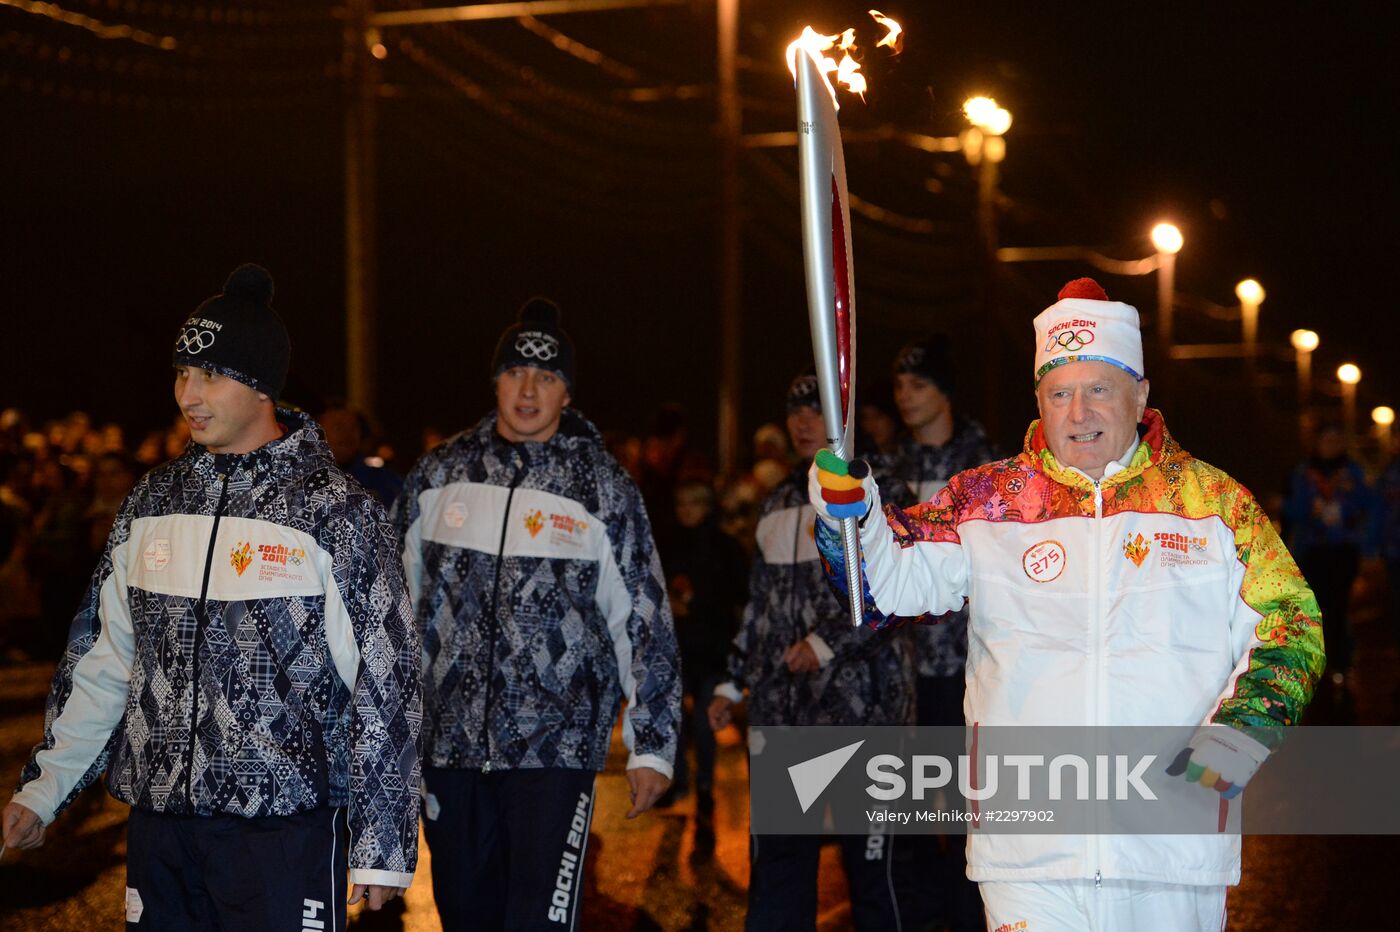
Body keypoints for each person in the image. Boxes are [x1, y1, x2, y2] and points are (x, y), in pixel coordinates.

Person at [810, 278, 1324, 931]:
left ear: (1139, 395)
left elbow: (1293, 624)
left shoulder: (1212, 506)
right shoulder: (988, 502)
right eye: (1059, 394)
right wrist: (842, 513)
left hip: (1171, 848)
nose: (1077, 413)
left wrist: (1236, 743)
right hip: (1027, 855)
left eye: (1098, 390)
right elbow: (882, 586)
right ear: (1039, 401)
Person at [2, 264, 423, 930]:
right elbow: (105, 661)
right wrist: (46, 789)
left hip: (284, 833)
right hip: (162, 832)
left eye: (210, 377)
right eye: (181, 374)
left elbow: (385, 686)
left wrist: (384, 845)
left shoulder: (334, 513)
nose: (188, 395)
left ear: (261, 389)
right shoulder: (152, 502)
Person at [392, 297, 681, 932]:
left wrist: (652, 746)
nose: (528, 390)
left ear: (567, 394)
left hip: (557, 751)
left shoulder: (602, 488)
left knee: (539, 922)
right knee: (465, 913)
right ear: (494, 379)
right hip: (451, 744)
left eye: (547, 378)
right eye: (516, 372)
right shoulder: (439, 476)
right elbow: (388, 614)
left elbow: (643, 619)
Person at [708, 370, 915, 931]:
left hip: (863, 714)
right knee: (779, 870)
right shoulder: (776, 501)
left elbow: (898, 597)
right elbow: (760, 604)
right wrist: (731, 682)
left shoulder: (882, 489)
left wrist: (825, 645)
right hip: (785, 716)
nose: (802, 422)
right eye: (794, 411)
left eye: (815, 410)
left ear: (843, 418)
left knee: (874, 875)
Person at [879, 336, 997, 931]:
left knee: (977, 809)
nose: (904, 396)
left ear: (945, 392)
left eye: (918, 384)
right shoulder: (886, 467)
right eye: (898, 386)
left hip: (972, 670)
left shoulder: (988, 465)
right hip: (903, 675)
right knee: (917, 816)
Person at [657, 479, 748, 853]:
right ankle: (678, 780)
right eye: (681, 503)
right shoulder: (669, 543)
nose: (686, 511)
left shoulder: (724, 548)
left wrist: (698, 605)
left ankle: (705, 787)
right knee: (673, 717)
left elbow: (736, 595)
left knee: (704, 722)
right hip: (677, 646)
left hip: (711, 645)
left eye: (692, 503)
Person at [1282, 421, 1377, 696]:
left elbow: (1369, 504)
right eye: (1327, 440)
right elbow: (1295, 512)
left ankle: (1342, 665)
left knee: (1339, 608)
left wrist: (1353, 491)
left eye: (1337, 440)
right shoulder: (1303, 473)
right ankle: (1316, 666)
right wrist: (1292, 506)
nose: (1332, 446)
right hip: (1313, 550)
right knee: (1315, 611)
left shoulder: (1354, 471)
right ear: (1317, 443)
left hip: (1343, 549)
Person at [320, 402, 404, 507]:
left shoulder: (380, 478)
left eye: (354, 427)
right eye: (339, 428)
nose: (348, 435)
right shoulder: (303, 478)